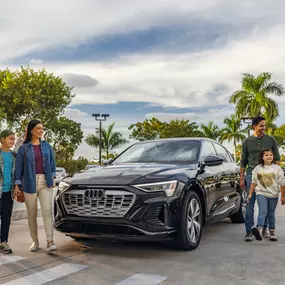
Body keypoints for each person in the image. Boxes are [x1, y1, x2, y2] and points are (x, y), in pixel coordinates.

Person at [14, 120, 57, 252]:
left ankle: (50, 242)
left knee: (47, 212)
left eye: (42, 128)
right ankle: (35, 241)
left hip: (45, 182)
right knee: (31, 214)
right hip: (29, 183)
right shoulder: (23, 148)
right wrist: (17, 185)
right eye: (38, 128)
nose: (41, 131)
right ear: (31, 130)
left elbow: (52, 163)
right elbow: (18, 168)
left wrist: (53, 177)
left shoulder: (47, 146)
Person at [240, 116, 280, 242]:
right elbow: (243, 162)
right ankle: (249, 232)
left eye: (264, 125)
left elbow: (277, 158)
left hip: (267, 175)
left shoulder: (271, 140)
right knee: (249, 205)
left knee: (266, 204)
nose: (264, 128)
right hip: (251, 174)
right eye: (261, 126)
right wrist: (242, 178)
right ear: (254, 126)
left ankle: (264, 228)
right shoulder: (247, 142)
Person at [247, 148, 285, 241]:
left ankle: (272, 231)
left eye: (270, 155)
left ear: (273, 157)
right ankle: (259, 228)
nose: (269, 156)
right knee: (262, 210)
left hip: (274, 194)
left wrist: (283, 196)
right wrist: (250, 193)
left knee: (271, 213)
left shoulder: (277, 168)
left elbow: (282, 183)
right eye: (266, 155)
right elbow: (254, 182)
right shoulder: (258, 168)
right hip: (261, 192)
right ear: (262, 157)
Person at [0, 130, 16, 254]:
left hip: (8, 193)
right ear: (2, 140)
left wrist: (17, 187)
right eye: (10, 139)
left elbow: (16, 174)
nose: (12, 141)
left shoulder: (13, 156)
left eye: (13, 139)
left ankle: (4, 242)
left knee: (6, 218)